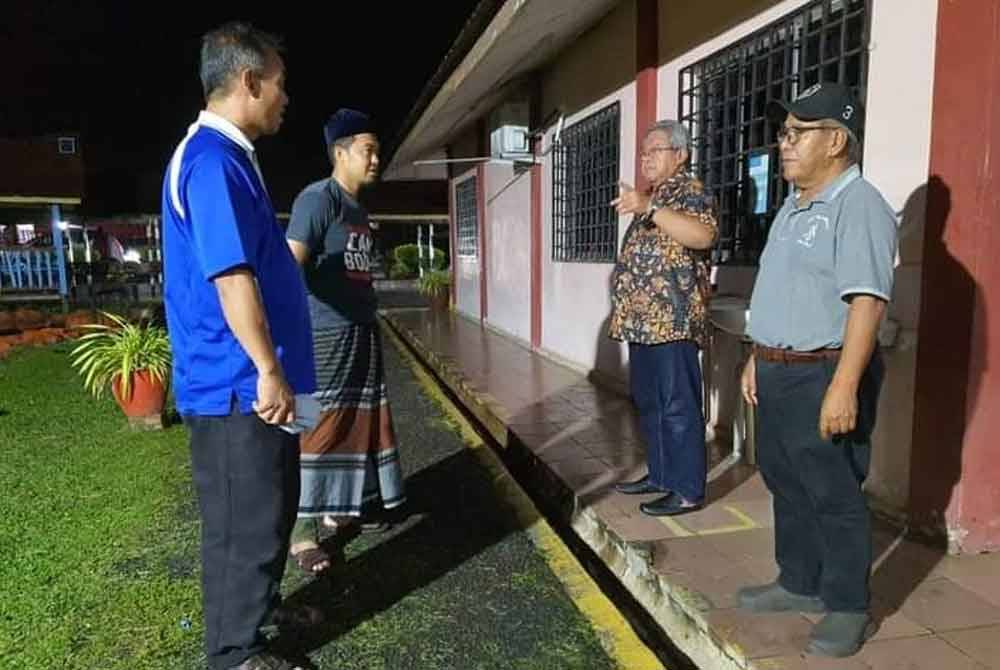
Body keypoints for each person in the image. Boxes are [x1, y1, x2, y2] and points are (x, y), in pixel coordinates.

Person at [161, 21, 314, 670]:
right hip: (235, 385)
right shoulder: (210, 163)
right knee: (242, 524)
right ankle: (233, 654)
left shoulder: (231, 159)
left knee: (272, 509)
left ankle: (260, 613)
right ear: (249, 81)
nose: (285, 97)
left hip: (254, 382)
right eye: (280, 83)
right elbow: (231, 278)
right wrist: (267, 368)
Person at [736, 82, 897, 658]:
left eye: (797, 134)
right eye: (784, 133)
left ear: (835, 141)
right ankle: (798, 580)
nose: (784, 144)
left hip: (824, 373)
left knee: (833, 491)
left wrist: (844, 387)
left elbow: (867, 302)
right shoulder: (794, 205)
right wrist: (757, 356)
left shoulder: (859, 206)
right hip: (778, 369)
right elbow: (783, 291)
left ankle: (848, 605)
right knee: (784, 477)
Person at [284, 109, 405, 573]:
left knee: (356, 424)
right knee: (318, 428)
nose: (375, 159)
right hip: (325, 335)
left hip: (361, 332)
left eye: (377, 150)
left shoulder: (357, 209)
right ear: (340, 153)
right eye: (367, 150)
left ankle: (339, 510)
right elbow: (288, 265)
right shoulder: (318, 200)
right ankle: (302, 534)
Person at [608, 120, 717, 516]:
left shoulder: (692, 192)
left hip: (672, 322)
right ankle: (660, 475)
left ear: (680, 154)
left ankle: (687, 489)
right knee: (650, 403)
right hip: (642, 324)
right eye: (643, 152)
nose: (645, 159)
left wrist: (649, 207)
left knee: (677, 407)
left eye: (655, 150)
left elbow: (703, 236)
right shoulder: (654, 196)